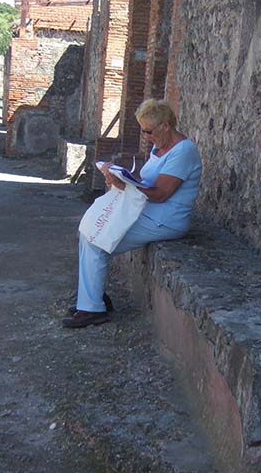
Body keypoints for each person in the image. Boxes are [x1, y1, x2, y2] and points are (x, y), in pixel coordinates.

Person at [63, 98, 202, 329]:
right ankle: (92, 298)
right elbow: (146, 184)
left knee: (97, 240)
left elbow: (160, 194)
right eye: (143, 131)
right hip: (146, 211)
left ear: (166, 125)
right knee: (90, 231)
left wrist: (126, 183)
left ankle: (92, 308)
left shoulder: (184, 152)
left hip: (164, 220)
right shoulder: (160, 146)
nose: (147, 137)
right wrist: (121, 178)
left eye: (149, 131)